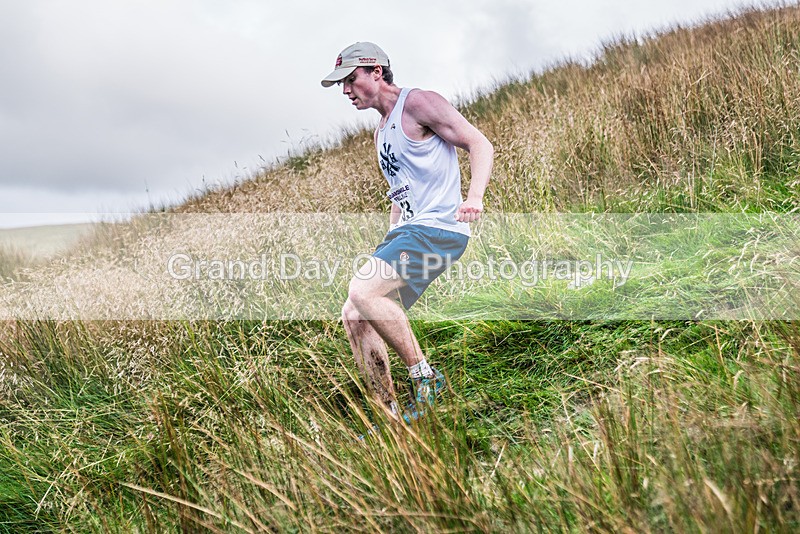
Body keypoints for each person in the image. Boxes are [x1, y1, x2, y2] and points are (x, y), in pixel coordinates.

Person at [321, 42, 493, 421]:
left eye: (351, 80)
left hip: (439, 227)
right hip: (410, 232)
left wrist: (474, 197)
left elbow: (478, 142)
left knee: (362, 291)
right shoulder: (382, 131)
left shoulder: (417, 103)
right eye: (341, 85)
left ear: (376, 72)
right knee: (354, 314)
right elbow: (401, 192)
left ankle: (427, 378)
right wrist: (389, 237)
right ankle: (391, 418)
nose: (346, 91)